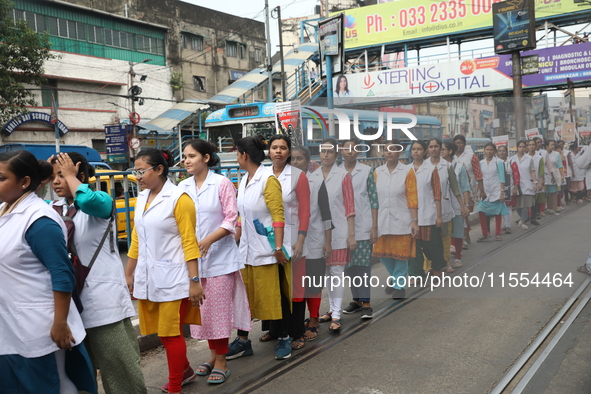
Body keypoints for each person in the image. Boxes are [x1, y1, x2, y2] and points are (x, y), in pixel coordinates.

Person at [0, 150, 96, 394]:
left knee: (52, 384)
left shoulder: (39, 220)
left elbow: (62, 273)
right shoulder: (5, 210)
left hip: (40, 324)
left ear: (23, 182)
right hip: (11, 321)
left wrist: (60, 322)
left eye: (1, 178)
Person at [49, 152, 146, 394]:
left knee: (121, 373)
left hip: (104, 306)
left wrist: (72, 178)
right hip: (69, 307)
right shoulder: (52, 210)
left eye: (62, 176)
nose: (56, 182)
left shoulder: (100, 201)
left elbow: (92, 202)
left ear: (80, 175)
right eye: (53, 177)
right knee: (80, 374)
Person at [125, 148, 203, 394]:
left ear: (159, 170)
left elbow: (189, 241)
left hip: (176, 278)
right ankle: (186, 371)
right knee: (163, 331)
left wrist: (194, 280)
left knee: (170, 334)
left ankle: (176, 386)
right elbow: (136, 238)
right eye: (135, 171)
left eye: (142, 171)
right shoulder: (142, 198)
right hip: (150, 277)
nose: (138, 176)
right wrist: (129, 273)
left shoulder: (180, 199)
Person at [179, 140, 250, 385]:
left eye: (192, 156)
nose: (186, 161)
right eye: (185, 157)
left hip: (220, 260)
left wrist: (209, 239)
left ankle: (221, 361)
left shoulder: (221, 183)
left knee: (218, 313)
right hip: (193, 262)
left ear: (206, 158)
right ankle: (212, 355)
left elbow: (232, 218)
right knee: (204, 313)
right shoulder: (182, 187)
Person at [227, 136, 290, 360]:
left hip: (268, 250)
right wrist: (234, 242)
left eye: (237, 154)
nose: (236, 158)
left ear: (244, 155)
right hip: (246, 251)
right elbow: (242, 217)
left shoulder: (268, 180)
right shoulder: (244, 179)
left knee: (272, 295)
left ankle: (284, 337)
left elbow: (278, 217)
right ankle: (243, 340)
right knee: (245, 297)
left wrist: (279, 248)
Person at [260, 135, 310, 352]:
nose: (278, 151)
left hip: (292, 241)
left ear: (289, 152)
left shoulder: (298, 176)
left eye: (283, 148)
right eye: (274, 147)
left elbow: (305, 211)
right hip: (266, 240)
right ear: (268, 151)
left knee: (295, 288)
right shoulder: (261, 175)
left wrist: (300, 240)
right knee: (273, 286)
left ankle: (296, 332)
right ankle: (275, 329)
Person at [312, 138, 356, 331]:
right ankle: (331, 309)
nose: (326, 155)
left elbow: (350, 207)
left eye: (330, 152)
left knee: (336, 273)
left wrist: (352, 234)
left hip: (338, 233)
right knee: (325, 274)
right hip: (317, 233)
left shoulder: (343, 176)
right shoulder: (312, 176)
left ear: (336, 154)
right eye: (323, 151)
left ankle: (336, 315)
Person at [291, 146, 332, 341]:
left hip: (314, 239)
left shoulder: (317, 181)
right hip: (293, 240)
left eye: (300, 159)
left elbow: (326, 214)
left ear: (308, 161)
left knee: (313, 281)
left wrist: (328, 242)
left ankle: (314, 319)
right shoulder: (285, 180)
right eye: (293, 159)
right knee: (297, 283)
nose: (296, 162)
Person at [373, 140, 419, 299]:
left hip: (402, 220)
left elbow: (412, 196)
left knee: (401, 254)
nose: (388, 152)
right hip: (381, 220)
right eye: (386, 150)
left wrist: (414, 220)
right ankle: (394, 277)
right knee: (382, 253)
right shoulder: (377, 172)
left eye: (392, 149)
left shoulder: (408, 171)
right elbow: (372, 198)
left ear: (399, 152)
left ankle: (399, 285)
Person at [340, 139, 378, 319]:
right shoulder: (335, 172)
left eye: (353, 149)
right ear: (340, 151)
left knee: (363, 266)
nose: (349, 152)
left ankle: (366, 303)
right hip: (342, 228)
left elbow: (374, 199)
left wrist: (374, 227)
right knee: (349, 267)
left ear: (358, 152)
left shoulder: (366, 171)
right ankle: (356, 300)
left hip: (363, 226)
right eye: (346, 148)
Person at [427, 138, 469, 273]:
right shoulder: (423, 166)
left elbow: (456, 188)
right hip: (427, 207)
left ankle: (446, 263)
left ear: (440, 149)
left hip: (445, 207)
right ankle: (429, 265)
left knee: (445, 237)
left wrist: (463, 205)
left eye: (436, 146)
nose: (433, 149)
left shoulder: (447, 166)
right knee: (429, 240)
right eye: (430, 146)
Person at [407, 140, 446, 279]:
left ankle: (437, 267)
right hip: (411, 215)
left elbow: (437, 194)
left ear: (425, 152)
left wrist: (439, 215)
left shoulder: (431, 170)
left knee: (432, 245)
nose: (416, 151)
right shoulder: (406, 170)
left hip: (428, 213)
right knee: (414, 247)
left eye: (419, 149)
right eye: (413, 149)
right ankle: (416, 273)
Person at [441, 141, 471, 268]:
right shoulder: (437, 166)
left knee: (458, 232)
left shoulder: (459, 167)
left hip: (457, 205)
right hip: (442, 205)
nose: (440, 151)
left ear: (450, 151)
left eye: (443, 149)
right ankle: (445, 260)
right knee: (444, 234)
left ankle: (458, 257)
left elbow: (465, 187)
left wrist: (466, 205)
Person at [453, 134, 484, 245]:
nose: (459, 145)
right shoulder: (450, 157)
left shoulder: (471, 156)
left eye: (461, 143)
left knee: (465, 212)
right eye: (457, 143)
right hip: (454, 192)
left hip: (469, 191)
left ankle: (465, 234)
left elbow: (478, 174)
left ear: (464, 144)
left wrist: (481, 190)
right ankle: (463, 234)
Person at [476, 143, 508, 242]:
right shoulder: (481, 163)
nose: (489, 151)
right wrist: (478, 191)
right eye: (487, 149)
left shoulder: (498, 162)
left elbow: (502, 178)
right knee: (481, 211)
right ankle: (484, 233)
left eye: (491, 150)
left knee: (497, 212)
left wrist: (502, 192)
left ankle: (497, 233)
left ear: (494, 151)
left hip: (496, 190)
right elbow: (479, 178)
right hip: (484, 191)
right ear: (484, 151)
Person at [510, 140, 537, 230]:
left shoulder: (529, 158)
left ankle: (523, 220)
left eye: (523, 147)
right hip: (516, 184)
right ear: (517, 148)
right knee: (517, 204)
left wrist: (535, 182)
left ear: (526, 148)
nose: (521, 148)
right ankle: (523, 218)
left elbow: (532, 171)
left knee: (525, 204)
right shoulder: (512, 159)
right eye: (520, 147)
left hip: (526, 183)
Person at [497, 145, 514, 234]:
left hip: (509, 187)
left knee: (508, 207)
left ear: (507, 152)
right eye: (500, 151)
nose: (502, 152)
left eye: (504, 151)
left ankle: (507, 226)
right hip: (497, 188)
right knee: (498, 207)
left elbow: (515, 174)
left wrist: (515, 187)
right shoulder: (495, 162)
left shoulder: (510, 162)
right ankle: (498, 227)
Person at [528, 138, 545, 224]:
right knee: (526, 201)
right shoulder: (525, 157)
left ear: (535, 146)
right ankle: (525, 217)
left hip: (537, 181)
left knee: (535, 201)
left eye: (533, 145)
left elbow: (541, 171)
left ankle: (533, 218)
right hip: (526, 182)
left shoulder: (539, 158)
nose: (531, 146)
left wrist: (541, 183)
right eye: (529, 145)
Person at [544, 140, 562, 215]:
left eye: (554, 145)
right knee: (546, 193)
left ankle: (553, 208)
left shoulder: (556, 154)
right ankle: (546, 208)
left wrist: (562, 175)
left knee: (554, 193)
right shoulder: (542, 153)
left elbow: (560, 165)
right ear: (547, 146)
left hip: (554, 175)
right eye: (551, 145)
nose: (553, 146)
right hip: (544, 175)